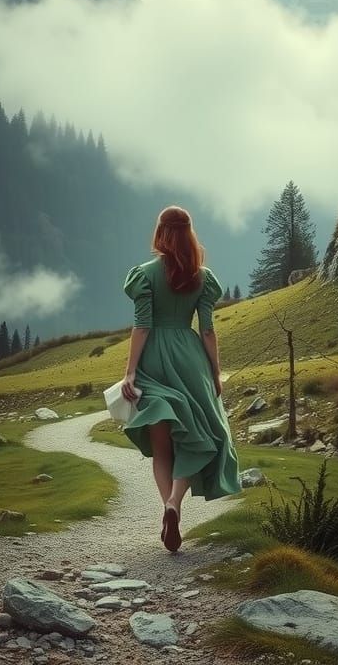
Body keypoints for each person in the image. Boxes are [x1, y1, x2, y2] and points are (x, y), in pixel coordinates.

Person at [120, 205, 241, 553]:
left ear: (160, 233)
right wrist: (214, 372)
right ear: (189, 233)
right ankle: (175, 501)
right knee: (193, 437)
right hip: (189, 359)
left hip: (153, 359)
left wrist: (130, 372)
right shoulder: (202, 277)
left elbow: (142, 326)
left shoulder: (143, 275)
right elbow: (207, 330)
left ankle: (168, 509)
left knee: (162, 448)